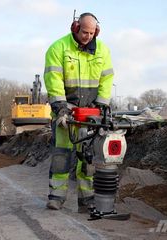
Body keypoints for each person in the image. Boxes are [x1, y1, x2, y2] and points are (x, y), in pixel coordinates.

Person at [44, 12, 114, 212]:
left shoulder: (102, 50)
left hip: (90, 113)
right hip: (66, 111)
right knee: (61, 155)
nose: (88, 37)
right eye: (85, 32)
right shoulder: (58, 48)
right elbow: (53, 80)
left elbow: (107, 79)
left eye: (92, 33)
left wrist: (102, 104)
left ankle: (87, 200)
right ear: (75, 28)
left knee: (88, 157)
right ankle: (56, 196)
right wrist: (61, 109)